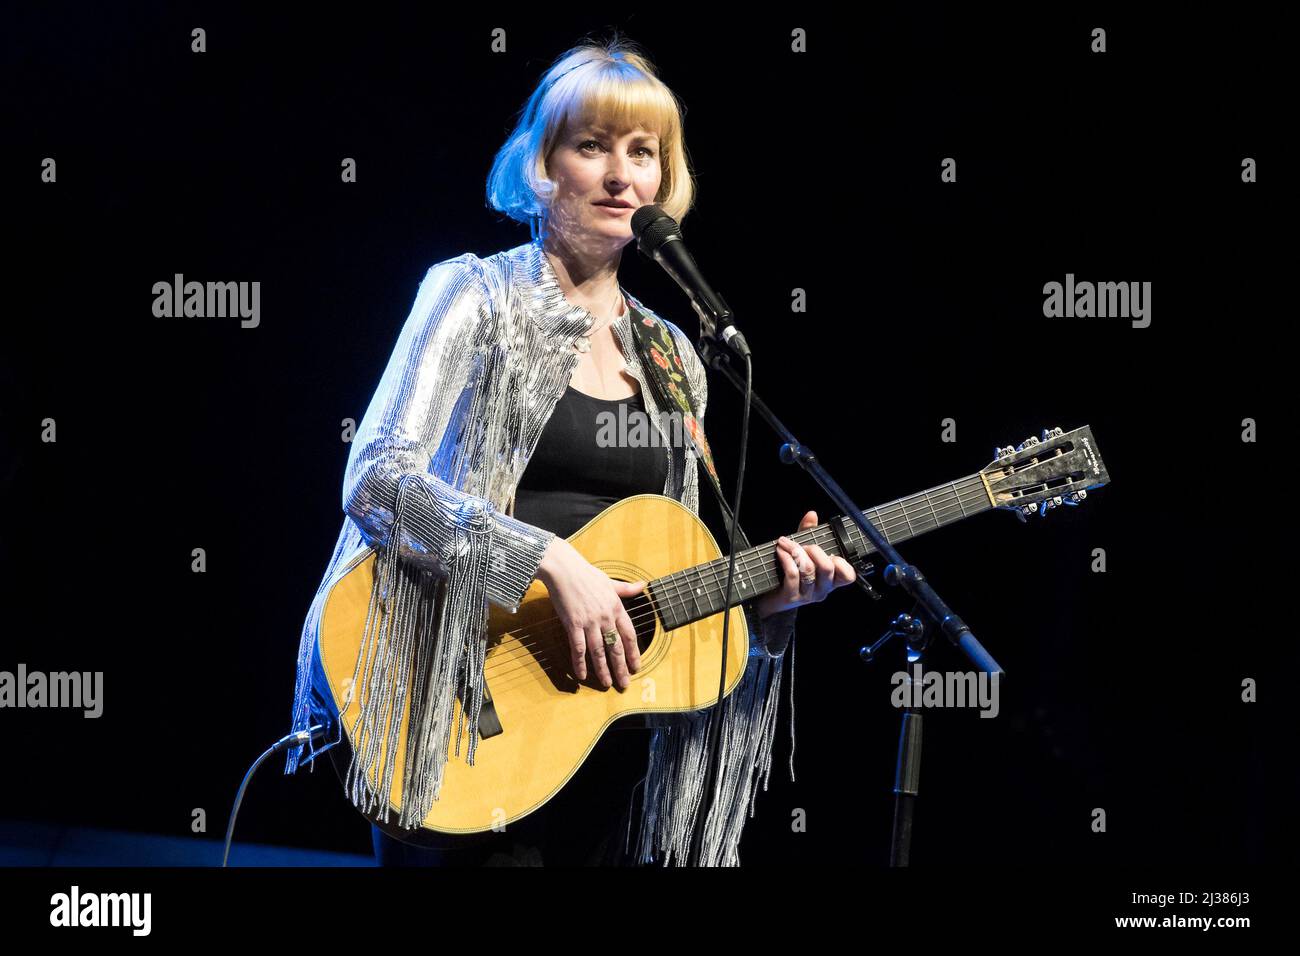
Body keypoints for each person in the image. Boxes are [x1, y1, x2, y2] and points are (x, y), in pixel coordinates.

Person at [286, 38, 856, 867]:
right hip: (458, 708)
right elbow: (376, 479)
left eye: (643, 153)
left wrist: (767, 612)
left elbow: (665, 578)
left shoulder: (672, 355)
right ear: (542, 167)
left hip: (601, 741)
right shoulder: (473, 296)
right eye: (593, 147)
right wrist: (549, 561)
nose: (622, 176)